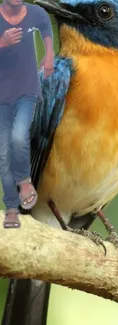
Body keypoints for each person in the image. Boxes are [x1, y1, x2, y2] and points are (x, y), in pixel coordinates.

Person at [0, 0, 54, 228]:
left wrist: (49, 53)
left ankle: (24, 182)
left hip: (26, 91)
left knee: (19, 137)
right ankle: (12, 207)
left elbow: (46, 29)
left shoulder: (37, 13)